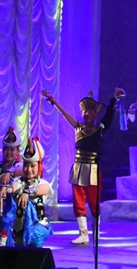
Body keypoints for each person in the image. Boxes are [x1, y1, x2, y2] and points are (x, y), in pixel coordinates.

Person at [42, 87, 120, 245]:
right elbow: (65, 115)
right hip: (78, 168)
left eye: (89, 111)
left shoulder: (99, 129)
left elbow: (108, 117)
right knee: (78, 201)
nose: (86, 114)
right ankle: (83, 233)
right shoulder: (78, 127)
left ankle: (96, 228)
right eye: (84, 111)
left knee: (93, 201)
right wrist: (53, 101)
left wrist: (114, 100)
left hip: (93, 168)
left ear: (95, 113)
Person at [0, 137, 52, 248]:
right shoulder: (19, 182)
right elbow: (13, 187)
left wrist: (27, 192)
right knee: (5, 228)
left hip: (38, 225)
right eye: (26, 165)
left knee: (34, 234)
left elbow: (44, 189)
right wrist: (5, 188)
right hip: (20, 227)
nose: (29, 169)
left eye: (32, 166)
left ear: (39, 166)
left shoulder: (42, 183)